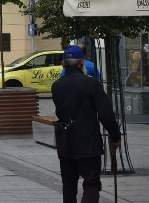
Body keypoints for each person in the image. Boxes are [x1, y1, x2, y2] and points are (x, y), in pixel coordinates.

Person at [52, 45, 121, 203]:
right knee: (91, 183)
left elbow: (61, 111)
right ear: (81, 63)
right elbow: (106, 114)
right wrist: (115, 136)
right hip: (88, 141)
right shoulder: (91, 84)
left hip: (65, 141)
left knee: (69, 185)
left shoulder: (56, 86)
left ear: (63, 63)